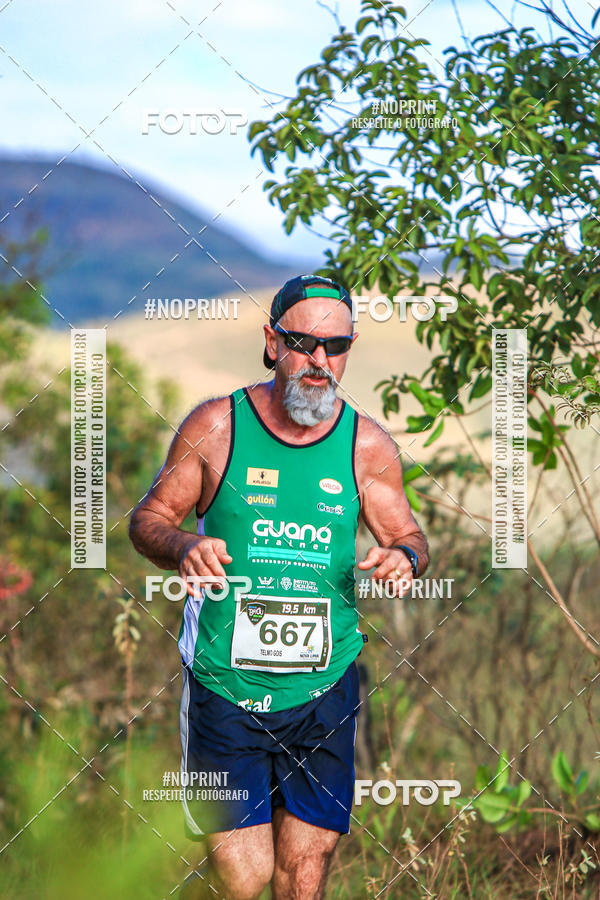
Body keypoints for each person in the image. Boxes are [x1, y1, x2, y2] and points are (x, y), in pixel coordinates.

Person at [129, 274, 429, 899]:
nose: (320, 362)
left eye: (337, 347)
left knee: (304, 874)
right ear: (271, 343)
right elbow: (148, 520)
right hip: (226, 689)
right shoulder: (218, 427)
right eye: (302, 342)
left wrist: (405, 557)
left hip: (324, 687)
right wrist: (185, 545)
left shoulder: (366, 444)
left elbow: (409, 533)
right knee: (243, 879)